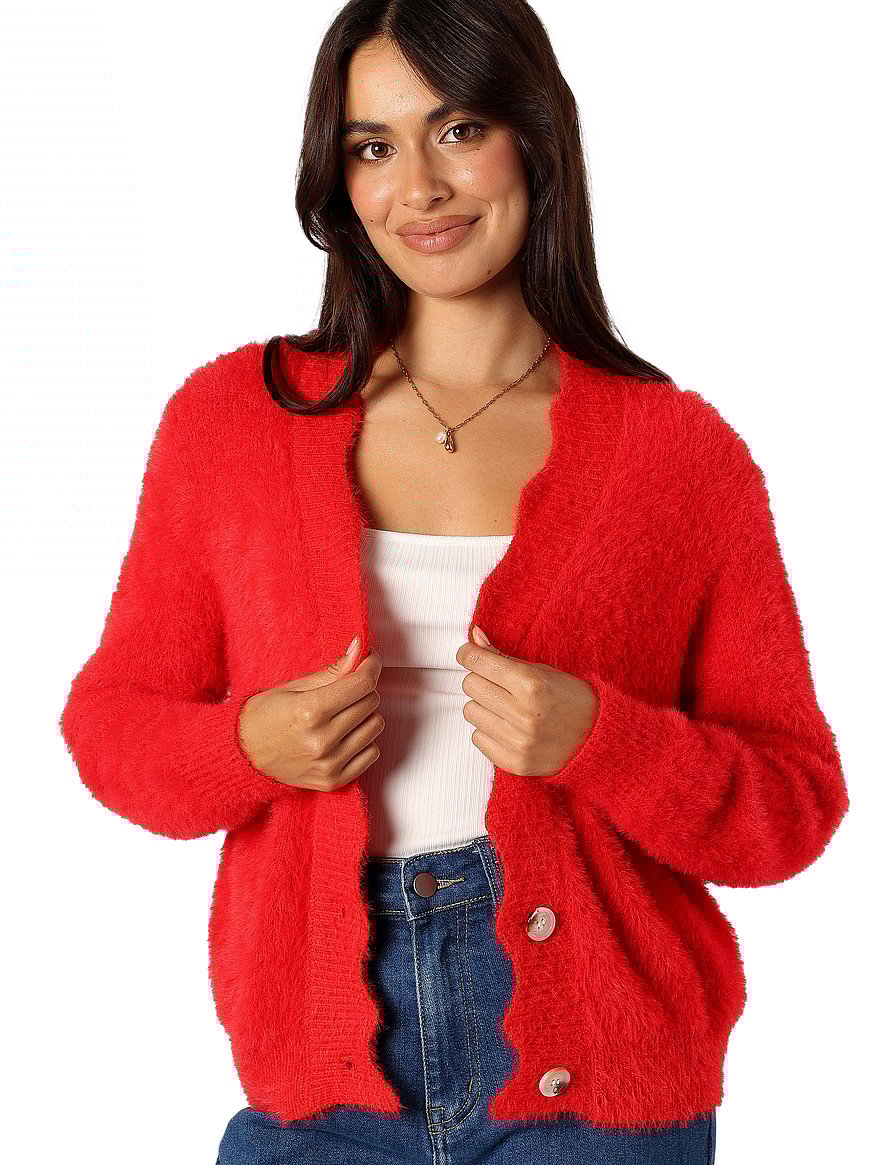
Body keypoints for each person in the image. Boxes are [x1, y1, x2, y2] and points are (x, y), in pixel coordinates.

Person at [59, 2, 849, 1163]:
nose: (418, 186)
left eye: (459, 129)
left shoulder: (679, 456)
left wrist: (607, 741)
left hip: (600, 1089)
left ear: (534, 136)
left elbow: (791, 806)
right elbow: (111, 727)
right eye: (373, 146)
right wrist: (247, 746)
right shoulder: (234, 421)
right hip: (319, 1073)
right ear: (338, 180)